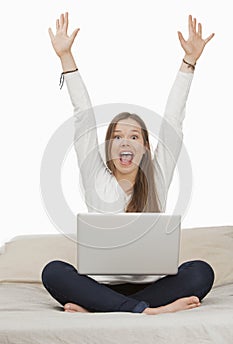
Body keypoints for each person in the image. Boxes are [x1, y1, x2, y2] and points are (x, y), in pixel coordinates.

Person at [42, 12, 215, 315]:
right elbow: (83, 115)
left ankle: (107, 308)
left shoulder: (157, 176)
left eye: (134, 137)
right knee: (53, 271)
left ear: (146, 149)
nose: (125, 142)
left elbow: (174, 121)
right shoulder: (94, 175)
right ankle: (148, 310)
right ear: (108, 149)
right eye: (118, 137)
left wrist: (189, 63)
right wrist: (66, 57)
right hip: (99, 285)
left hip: (153, 284)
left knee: (201, 272)